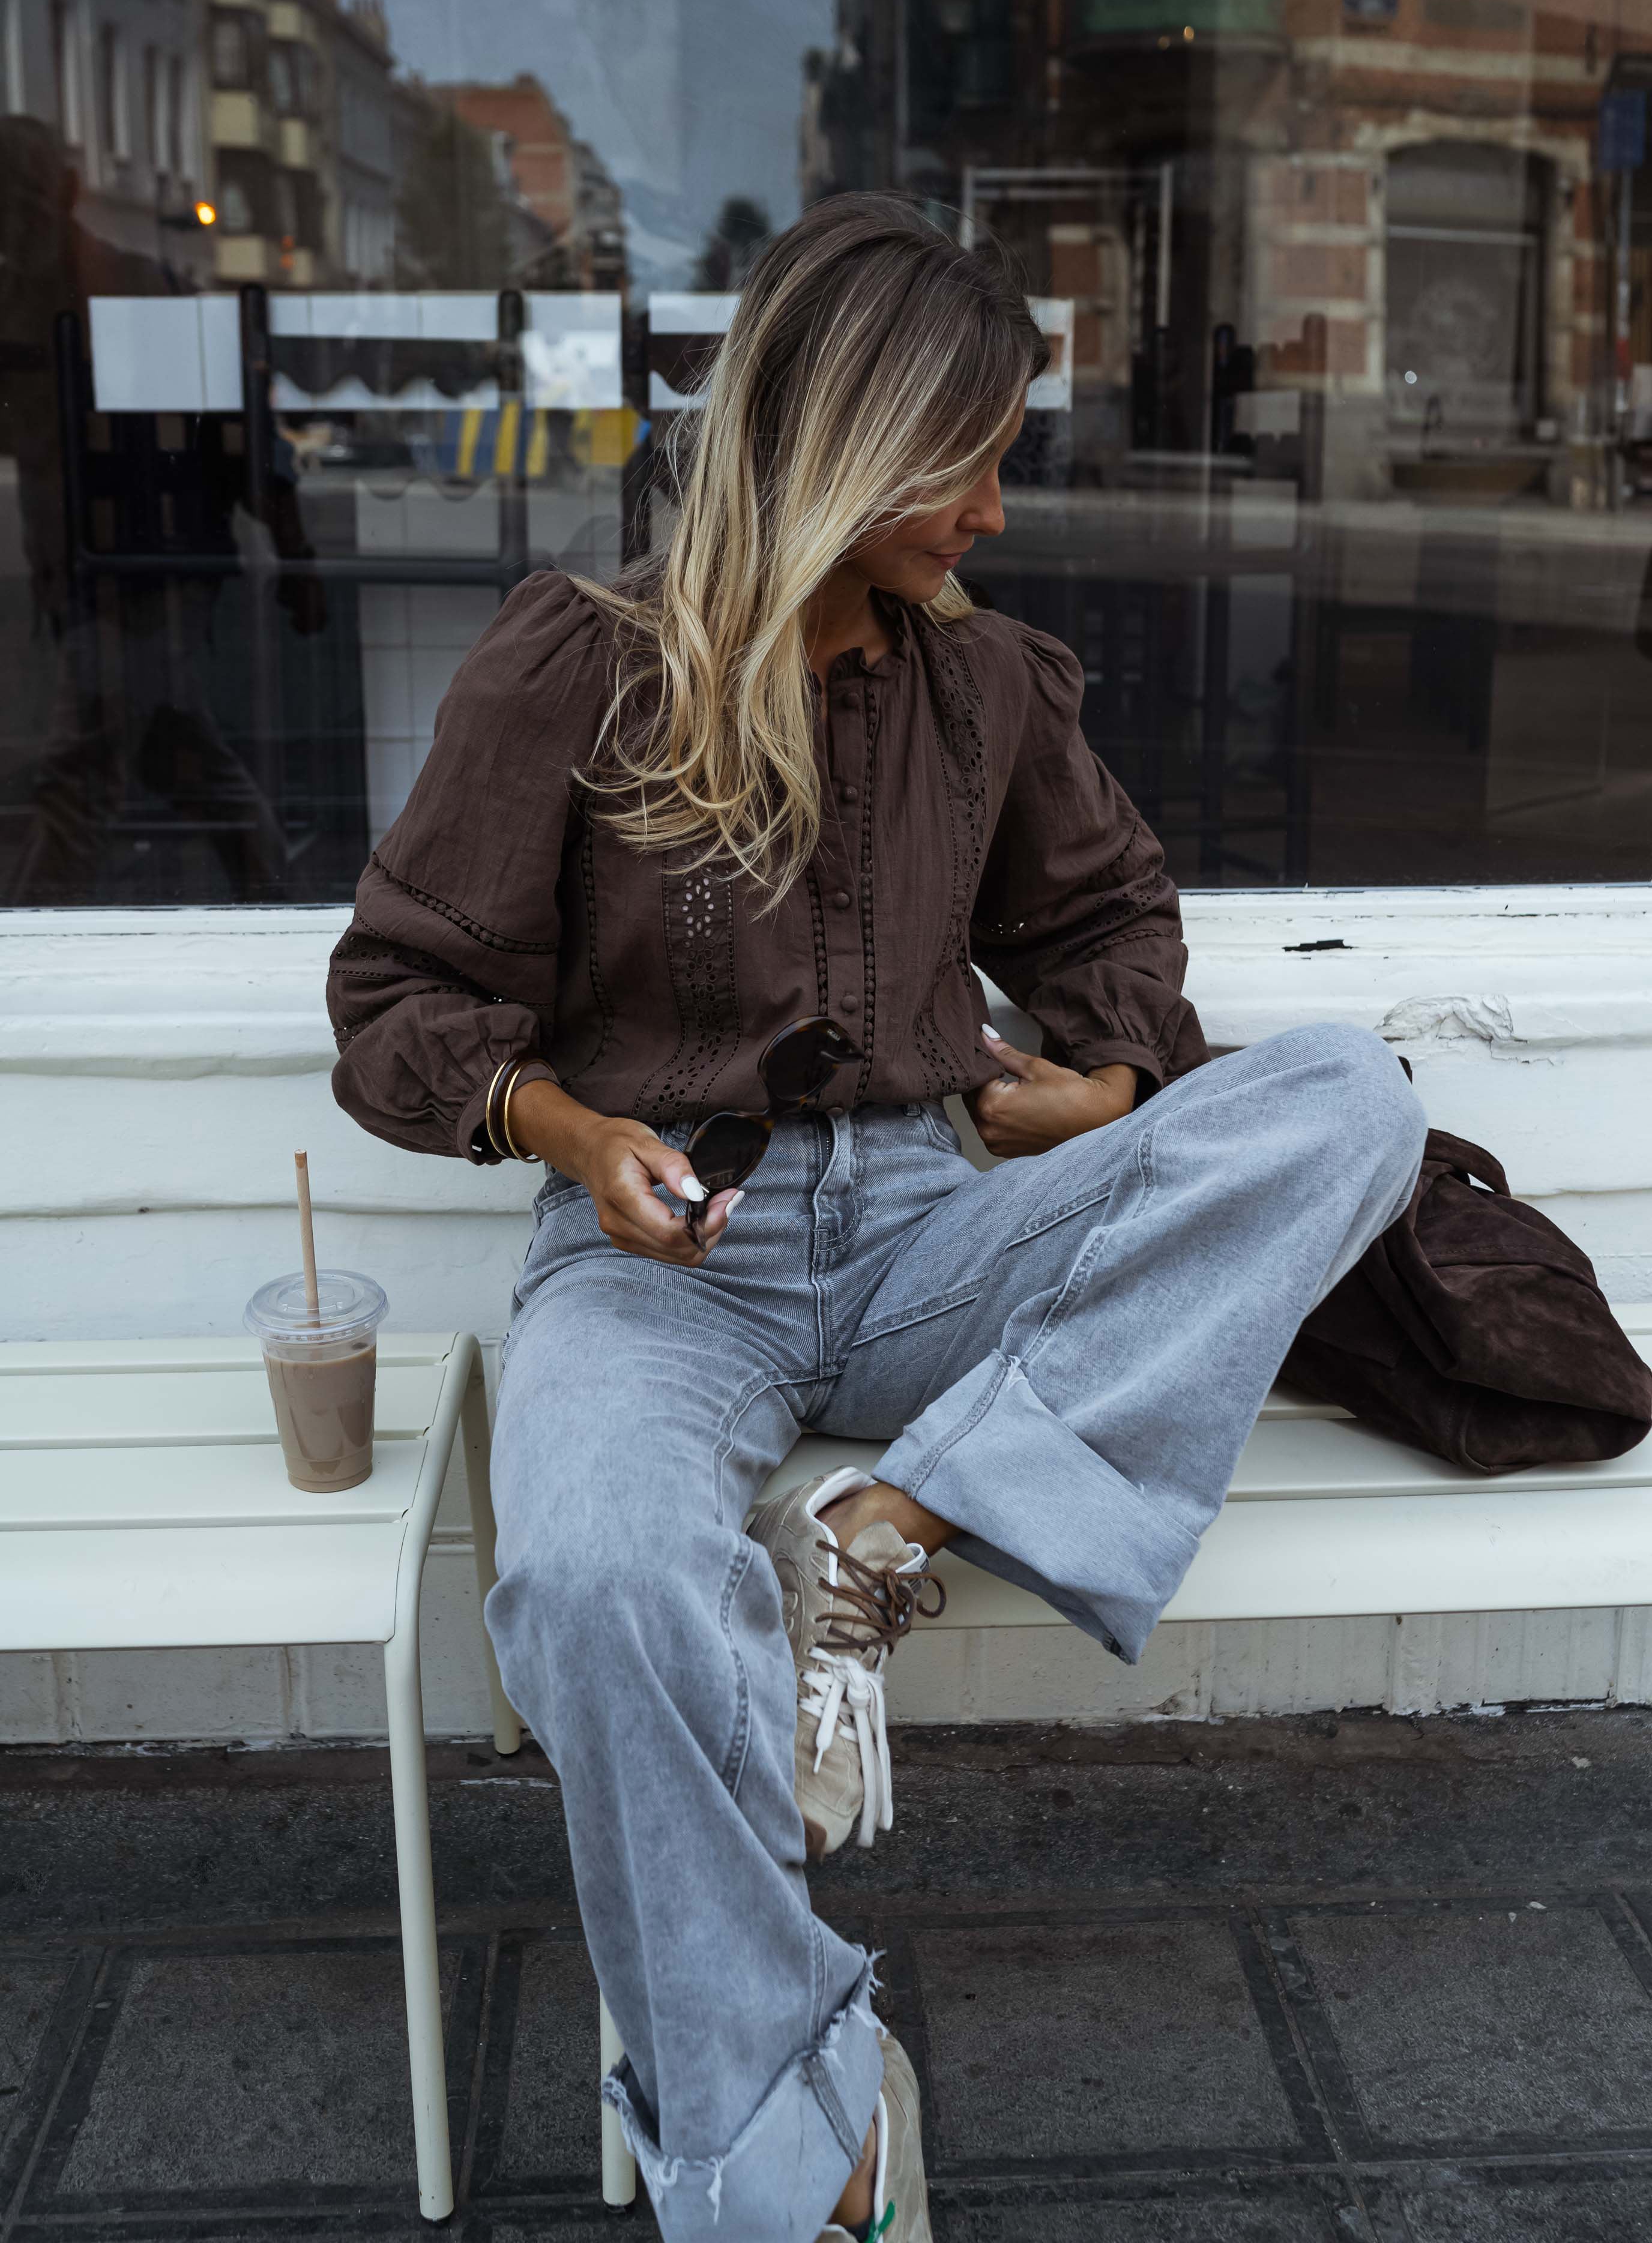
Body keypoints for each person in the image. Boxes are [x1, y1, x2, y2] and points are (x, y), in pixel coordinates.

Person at [326, 193, 1426, 2242]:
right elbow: (399, 999)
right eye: (971, 460)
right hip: (669, 1264)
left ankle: (898, 1522)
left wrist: (1093, 1085)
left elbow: (1113, 929)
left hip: (940, 1237)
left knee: (1349, 1092)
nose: (997, 513)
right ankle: (799, 2149)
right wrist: (570, 1132)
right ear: (840, 438)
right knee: (593, 1584)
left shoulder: (983, 688)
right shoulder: (588, 667)